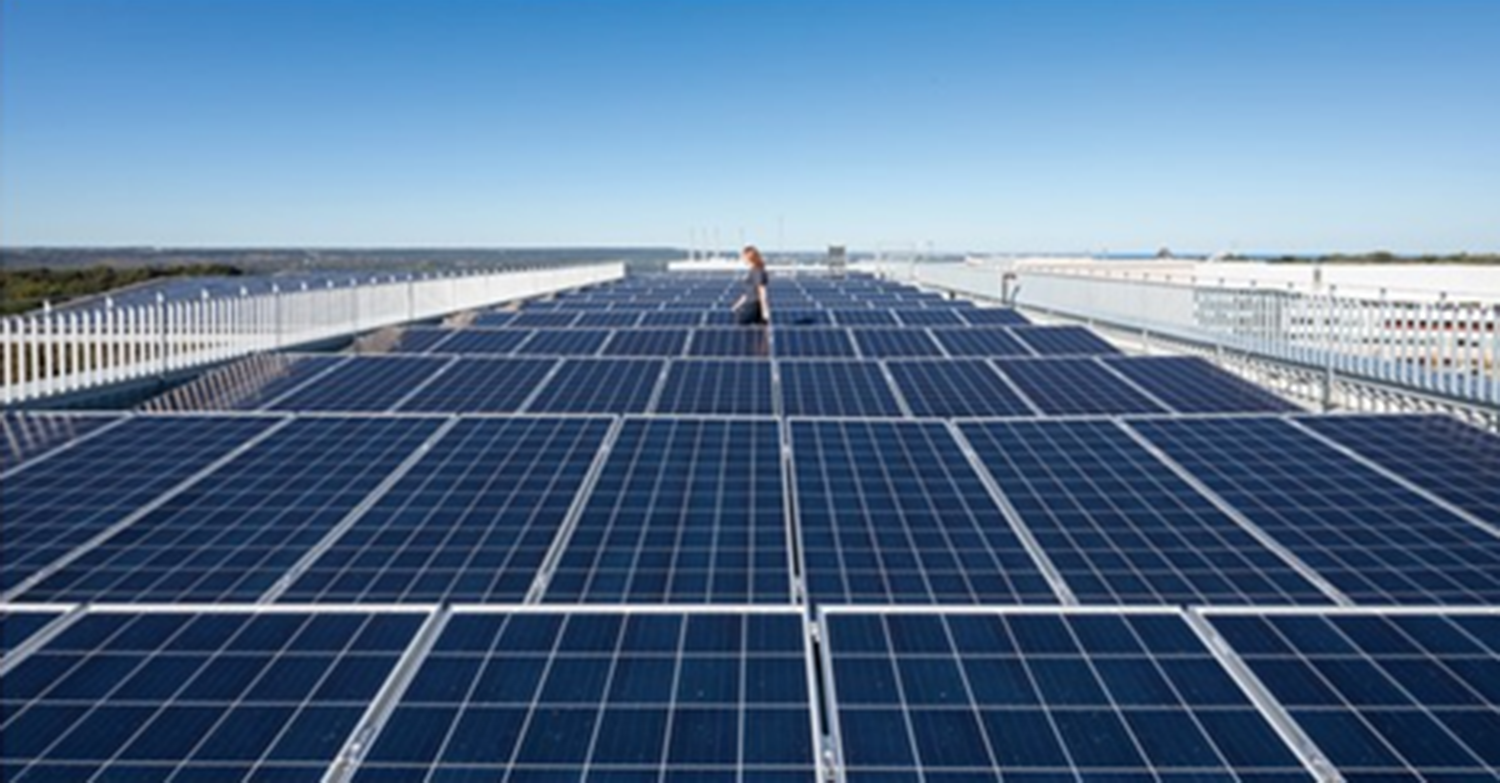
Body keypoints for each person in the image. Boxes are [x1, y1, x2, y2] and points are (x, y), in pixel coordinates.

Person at [732, 245, 771, 325]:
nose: (742, 259)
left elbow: (762, 292)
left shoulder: (757, 271)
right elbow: (748, 292)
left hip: (754, 305)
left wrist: (765, 311)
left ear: (749, 257)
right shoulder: (752, 271)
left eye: (743, 257)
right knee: (756, 331)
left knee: (741, 325)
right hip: (751, 304)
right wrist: (737, 304)